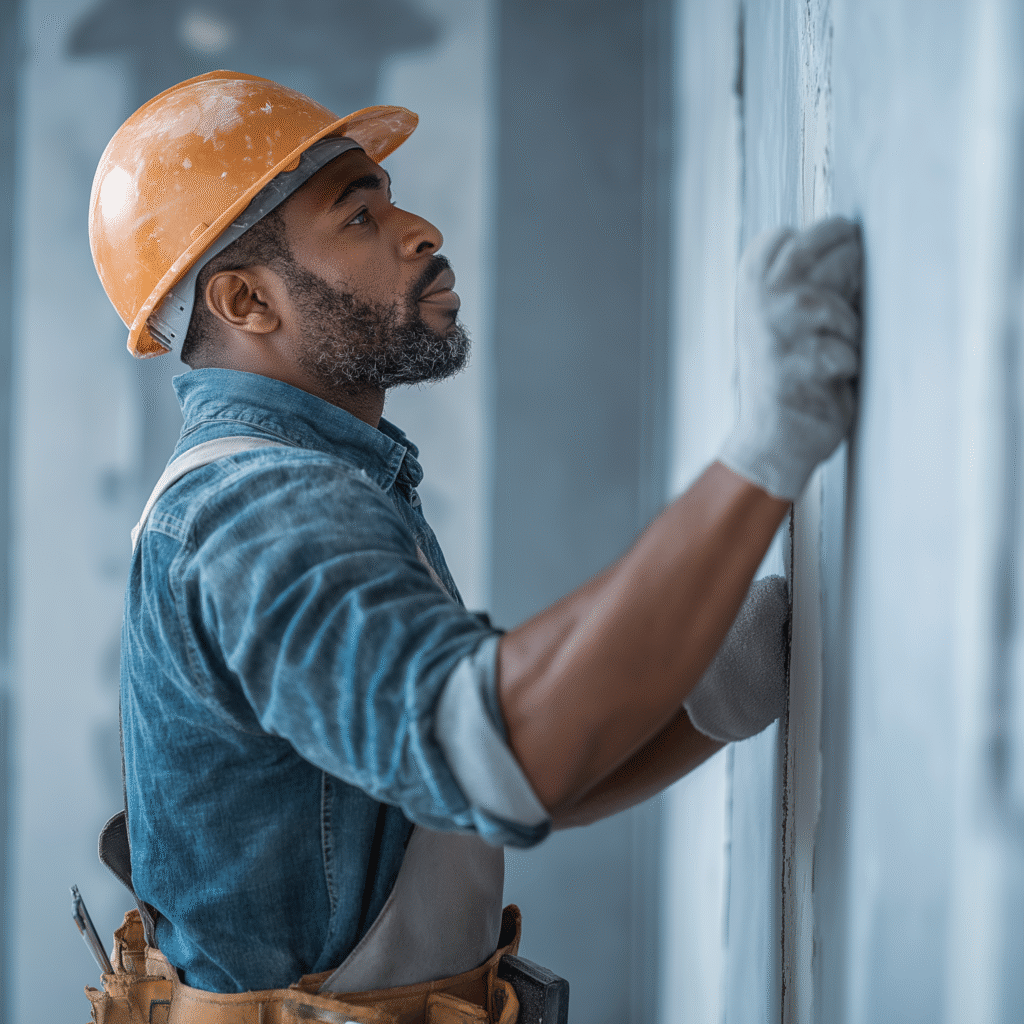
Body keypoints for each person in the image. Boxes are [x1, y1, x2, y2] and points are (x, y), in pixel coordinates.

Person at [85, 71, 861, 1021]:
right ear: (247, 301)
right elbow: (511, 750)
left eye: (394, 203)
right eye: (359, 218)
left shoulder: (303, 484)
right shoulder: (264, 511)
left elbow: (478, 785)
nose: (422, 233)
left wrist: (707, 687)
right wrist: (767, 450)